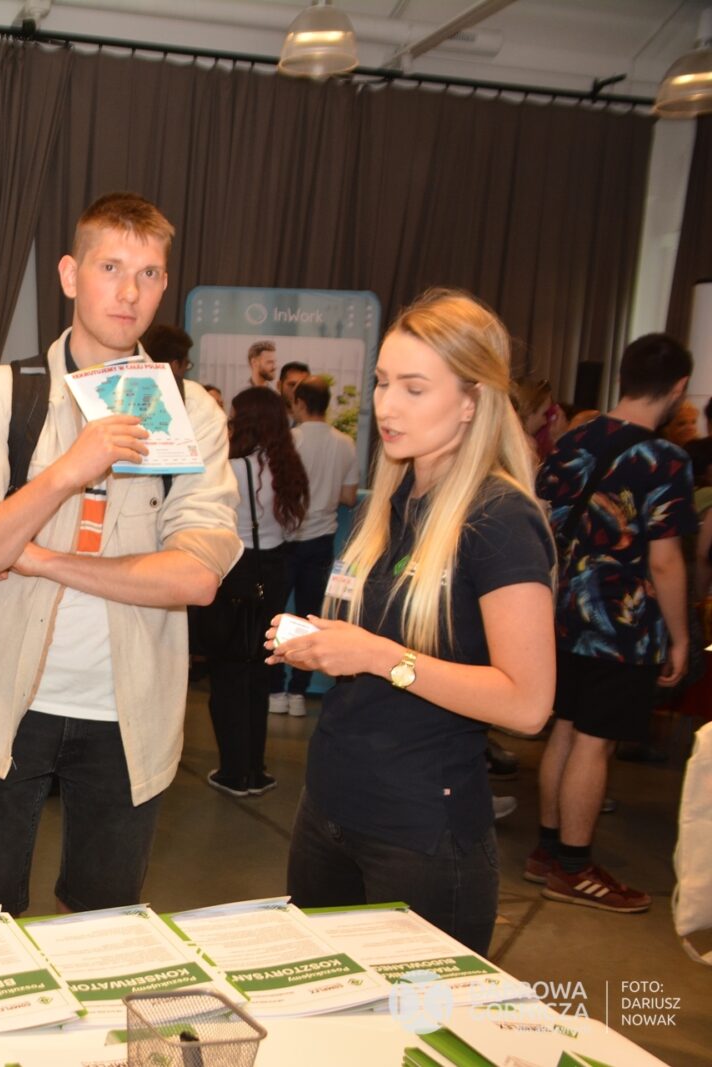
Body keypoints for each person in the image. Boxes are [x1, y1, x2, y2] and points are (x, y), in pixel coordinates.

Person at [0, 193, 239, 916]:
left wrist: (39, 559)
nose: (130, 292)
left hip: (130, 716)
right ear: (70, 275)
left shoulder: (191, 411)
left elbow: (196, 575)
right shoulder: (2, 396)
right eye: (110, 267)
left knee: (107, 926)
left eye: (149, 274)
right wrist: (67, 470)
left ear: (164, 284)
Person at [273, 289, 556, 954]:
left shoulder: (499, 520)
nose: (387, 405)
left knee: (416, 1019)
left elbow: (527, 703)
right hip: (330, 809)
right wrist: (324, 646)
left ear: (471, 401)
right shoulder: (394, 500)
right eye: (381, 382)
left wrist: (376, 656)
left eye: (414, 388)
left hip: (421, 834)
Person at [528, 333, 696, 914]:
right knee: (594, 743)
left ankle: (547, 850)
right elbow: (666, 560)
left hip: (560, 614)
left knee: (567, 729)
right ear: (678, 387)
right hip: (622, 625)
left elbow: (541, 520)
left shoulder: (574, 439)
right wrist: (680, 637)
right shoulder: (666, 460)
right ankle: (574, 868)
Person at [207, 386, 305, 796]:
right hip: (276, 568)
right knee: (259, 669)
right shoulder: (286, 465)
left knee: (228, 671)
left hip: (237, 569)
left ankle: (234, 772)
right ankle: (255, 769)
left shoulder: (232, 468)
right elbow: (292, 526)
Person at [270, 378, 357, 718]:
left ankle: (275, 689)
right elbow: (349, 497)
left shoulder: (290, 440)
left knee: (276, 615)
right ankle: (298, 692)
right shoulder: (345, 443)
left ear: (301, 403)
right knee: (310, 618)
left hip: (286, 539)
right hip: (322, 542)